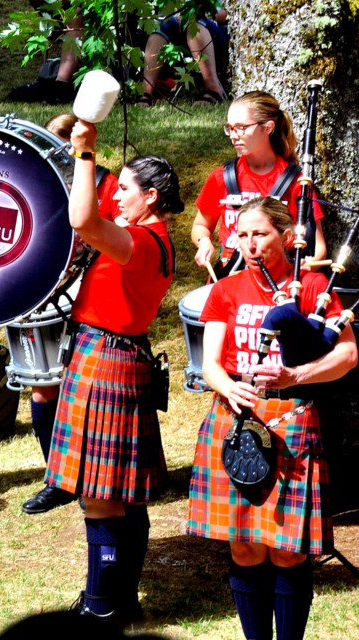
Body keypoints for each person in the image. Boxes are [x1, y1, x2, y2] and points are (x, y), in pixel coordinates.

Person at [186, 196, 357, 640]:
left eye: (259, 233)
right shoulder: (227, 289)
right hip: (235, 418)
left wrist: (295, 373)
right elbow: (210, 365)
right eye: (241, 235)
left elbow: (349, 354)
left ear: (285, 236)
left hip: (292, 417)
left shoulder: (314, 286)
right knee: (244, 549)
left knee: (287, 552)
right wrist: (228, 386)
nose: (249, 243)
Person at [43, 118, 183, 620]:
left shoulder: (138, 244)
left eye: (124, 188)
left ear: (151, 197)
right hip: (119, 356)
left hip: (105, 360)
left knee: (99, 498)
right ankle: (119, 598)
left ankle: (102, 604)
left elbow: (82, 221)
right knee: (126, 499)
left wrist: (85, 153)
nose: (116, 195)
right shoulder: (156, 241)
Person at [22, 113, 118, 515]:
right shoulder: (31, 178)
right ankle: (57, 478)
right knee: (44, 386)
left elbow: (114, 231)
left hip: (90, 289)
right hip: (43, 289)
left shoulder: (107, 183)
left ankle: (103, 478)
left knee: (95, 391)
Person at [193, 91, 326, 280]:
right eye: (230, 128)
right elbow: (200, 225)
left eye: (241, 127)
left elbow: (318, 248)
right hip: (228, 278)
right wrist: (203, 241)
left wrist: (302, 268)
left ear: (268, 128)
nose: (233, 135)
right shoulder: (221, 177)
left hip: (276, 283)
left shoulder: (296, 183)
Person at [139, 9, 229, 106]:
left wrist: (200, 12)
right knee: (162, 23)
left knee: (193, 19)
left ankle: (214, 89)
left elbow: (226, 14)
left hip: (215, 29)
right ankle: (146, 91)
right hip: (181, 26)